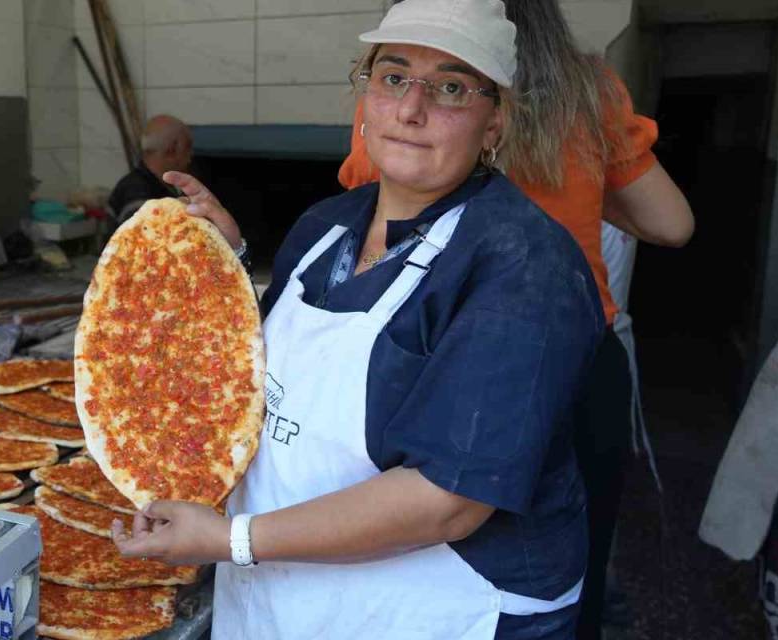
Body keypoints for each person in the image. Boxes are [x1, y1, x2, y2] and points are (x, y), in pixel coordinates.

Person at [111, 1, 603, 638]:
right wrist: (220, 263)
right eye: (393, 77)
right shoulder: (325, 225)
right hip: (284, 580)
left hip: (435, 603)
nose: (410, 109)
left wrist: (233, 538)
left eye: (451, 87)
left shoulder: (526, 266)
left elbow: (447, 502)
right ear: (366, 96)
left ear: (495, 123)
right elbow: (258, 381)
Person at [338, 2, 694, 637]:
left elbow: (374, 233)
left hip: (433, 366)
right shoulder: (587, 88)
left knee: (416, 570)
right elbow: (671, 223)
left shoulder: (401, 102)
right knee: (564, 573)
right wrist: (576, 192)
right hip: (578, 366)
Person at [105, 114, 193, 224]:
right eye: (187, 147)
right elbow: (143, 237)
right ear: (172, 149)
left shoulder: (162, 187)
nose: (190, 156)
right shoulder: (136, 191)